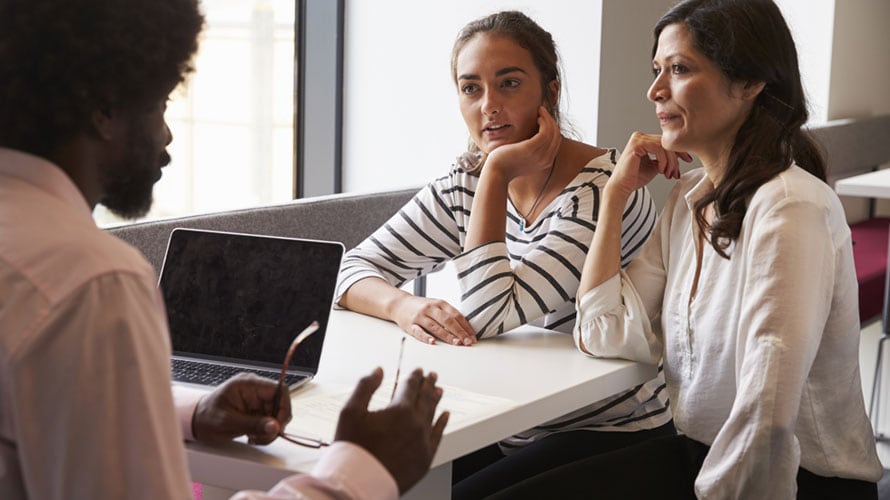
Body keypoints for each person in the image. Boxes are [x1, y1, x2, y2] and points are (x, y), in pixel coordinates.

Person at [0, 0, 448, 499]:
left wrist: (190, 414)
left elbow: (42, 415)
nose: (166, 136)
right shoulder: (89, 283)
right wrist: (357, 472)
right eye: (162, 104)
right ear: (105, 108)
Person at [490, 0, 884, 498]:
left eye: (678, 69)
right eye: (657, 70)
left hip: (795, 481)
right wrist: (615, 194)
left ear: (750, 83)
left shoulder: (790, 207)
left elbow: (766, 421)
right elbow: (603, 333)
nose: (654, 91)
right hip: (699, 453)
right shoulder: (689, 199)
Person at [336, 11, 674, 499]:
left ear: (550, 93)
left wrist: (495, 175)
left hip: (612, 433)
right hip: (513, 425)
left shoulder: (605, 190)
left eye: (509, 84)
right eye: (471, 88)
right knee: (381, 483)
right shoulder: (463, 184)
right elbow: (348, 269)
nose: (488, 106)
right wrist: (404, 305)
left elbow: (492, 313)